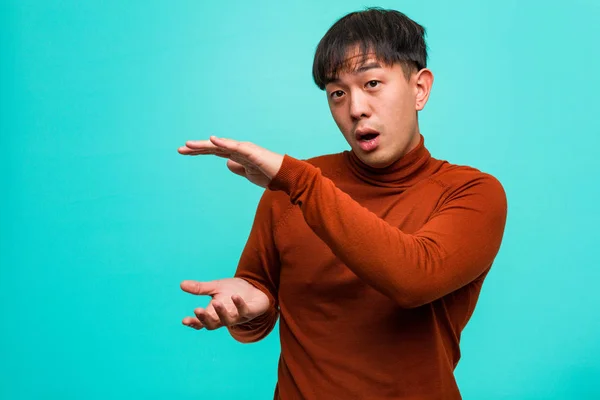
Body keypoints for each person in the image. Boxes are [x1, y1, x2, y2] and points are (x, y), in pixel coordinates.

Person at [178, 7, 507, 400]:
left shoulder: (472, 192)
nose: (355, 109)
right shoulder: (291, 188)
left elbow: (414, 279)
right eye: (338, 93)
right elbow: (256, 308)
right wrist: (252, 310)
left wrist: (296, 180)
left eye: (371, 83)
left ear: (419, 89)